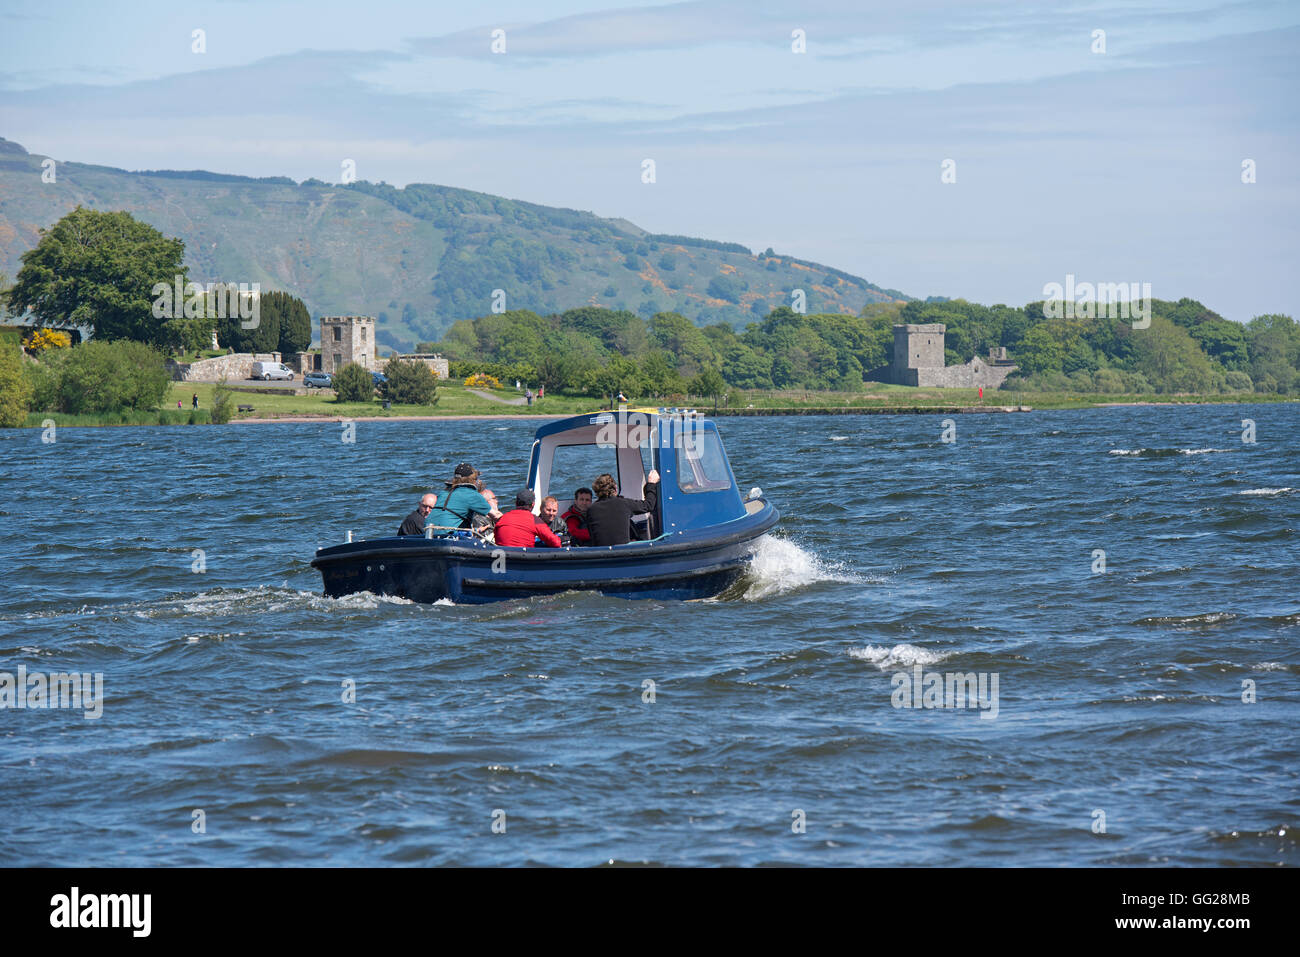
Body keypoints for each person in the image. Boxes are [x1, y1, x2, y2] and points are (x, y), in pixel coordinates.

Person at [585, 470, 660, 546]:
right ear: (615, 488)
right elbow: (649, 505)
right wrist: (651, 483)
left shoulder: (591, 510)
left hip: (601, 553)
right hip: (623, 552)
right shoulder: (624, 503)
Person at [428, 463, 502, 530]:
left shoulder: (443, 493)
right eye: (476, 478)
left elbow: (447, 516)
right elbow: (496, 515)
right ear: (473, 479)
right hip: (448, 534)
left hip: (428, 529)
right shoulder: (471, 494)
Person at [494, 489, 561, 548]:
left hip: (503, 558)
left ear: (516, 503)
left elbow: (496, 538)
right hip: (524, 559)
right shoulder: (535, 520)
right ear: (533, 505)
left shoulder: (503, 518)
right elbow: (556, 543)